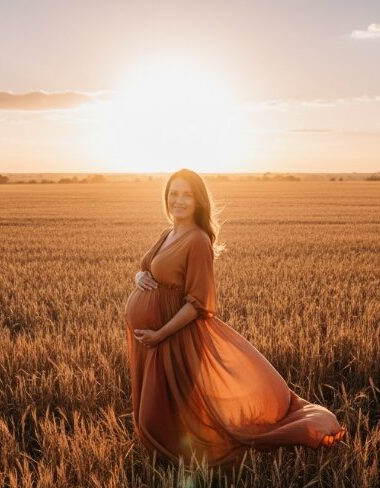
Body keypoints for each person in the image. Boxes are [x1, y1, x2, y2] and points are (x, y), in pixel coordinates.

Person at [124, 168, 346, 470]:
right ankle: (169, 465)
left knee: (157, 414)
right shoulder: (169, 233)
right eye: (173, 194)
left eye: (187, 195)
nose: (179, 200)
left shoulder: (198, 240)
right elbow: (151, 269)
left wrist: (160, 334)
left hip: (174, 337)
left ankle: (191, 468)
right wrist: (140, 275)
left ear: (199, 200)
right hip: (150, 337)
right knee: (159, 409)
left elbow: (199, 304)